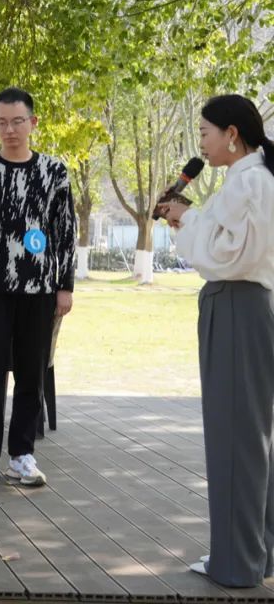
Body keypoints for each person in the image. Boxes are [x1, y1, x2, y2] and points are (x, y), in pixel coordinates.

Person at [157, 95, 274, 587]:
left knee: (234, 438)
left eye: (205, 132)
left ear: (231, 133)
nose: (201, 143)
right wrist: (192, 218)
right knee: (252, 438)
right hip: (247, 307)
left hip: (236, 306)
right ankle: (256, 555)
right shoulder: (251, 179)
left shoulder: (251, 182)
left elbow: (228, 256)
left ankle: (236, 564)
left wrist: (186, 219)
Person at [0, 87, 75, 488]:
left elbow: (65, 232)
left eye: (17, 121)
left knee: (32, 373)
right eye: (2, 123)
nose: (10, 130)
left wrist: (64, 285)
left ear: (33, 123)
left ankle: (22, 455)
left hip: (39, 288)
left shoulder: (54, 172)